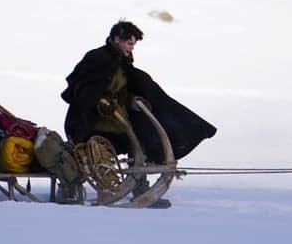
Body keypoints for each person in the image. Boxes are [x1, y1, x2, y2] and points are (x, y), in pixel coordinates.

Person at [61, 20, 217, 167]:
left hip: (120, 119)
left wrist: (133, 100)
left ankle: (139, 183)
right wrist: (100, 104)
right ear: (117, 39)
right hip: (95, 122)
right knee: (134, 141)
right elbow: (83, 90)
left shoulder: (122, 64)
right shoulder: (97, 58)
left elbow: (124, 91)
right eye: (129, 43)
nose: (131, 48)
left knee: (143, 140)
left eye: (133, 45)